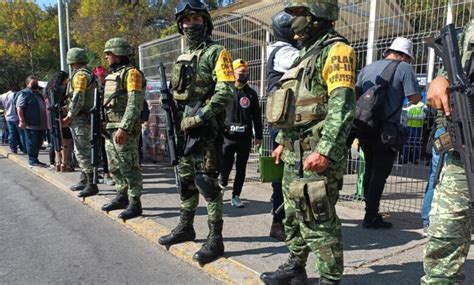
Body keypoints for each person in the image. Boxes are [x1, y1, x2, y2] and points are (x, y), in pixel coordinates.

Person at [260, 1, 356, 284]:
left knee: (319, 219)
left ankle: (329, 279)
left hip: (316, 154)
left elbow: (342, 107)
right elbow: (296, 105)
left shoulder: (338, 51)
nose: (293, 20)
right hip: (294, 151)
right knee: (292, 215)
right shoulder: (305, 53)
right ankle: (295, 267)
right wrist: (281, 141)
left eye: (299, 13)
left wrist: (326, 150)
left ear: (318, 14)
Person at [158, 0, 235, 265]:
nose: (192, 25)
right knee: (186, 181)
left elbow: (226, 91)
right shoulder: (182, 56)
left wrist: (200, 116)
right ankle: (186, 226)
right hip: (183, 131)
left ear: (206, 22)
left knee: (207, 185)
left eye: (197, 19)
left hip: (206, 132)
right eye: (187, 21)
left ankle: (215, 239)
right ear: (181, 25)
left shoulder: (217, 52)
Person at [420, 20, 473, 284]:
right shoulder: (470, 32)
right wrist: (440, 79)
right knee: (443, 244)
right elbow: (451, 73)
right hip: (463, 157)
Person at [356, 37, 421, 229]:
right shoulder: (404, 68)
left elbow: (357, 94)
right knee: (380, 172)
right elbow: (415, 98)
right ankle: (371, 215)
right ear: (404, 56)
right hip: (387, 130)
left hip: (365, 126)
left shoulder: (368, 68)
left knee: (369, 167)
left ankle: (369, 207)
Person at [100, 37, 145, 221]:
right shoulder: (113, 75)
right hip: (110, 128)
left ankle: (135, 203)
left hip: (122, 130)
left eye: (108, 53)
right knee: (114, 166)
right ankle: (121, 195)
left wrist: (124, 127)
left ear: (117, 54)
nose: (106, 57)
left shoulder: (132, 73)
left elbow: (135, 103)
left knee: (129, 166)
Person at [265, 10, 300, 242]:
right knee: (285, 174)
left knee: (287, 173)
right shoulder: (285, 51)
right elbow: (306, 62)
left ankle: (285, 220)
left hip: (284, 120)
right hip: (285, 123)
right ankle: (279, 223)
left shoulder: (278, 49)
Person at [219, 59, 262, 208]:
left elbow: (256, 116)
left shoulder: (251, 94)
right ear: (234, 72)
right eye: (241, 72)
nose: (245, 74)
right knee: (226, 165)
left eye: (246, 72)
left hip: (244, 138)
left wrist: (259, 136)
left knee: (241, 168)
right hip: (228, 137)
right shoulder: (226, 91)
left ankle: (236, 196)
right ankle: (222, 186)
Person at [61, 48, 99, 198]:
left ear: (71, 62)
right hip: (85, 117)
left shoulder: (80, 75)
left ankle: (91, 184)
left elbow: (78, 97)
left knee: (83, 151)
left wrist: (69, 115)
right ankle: (85, 180)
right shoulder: (87, 74)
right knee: (81, 149)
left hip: (81, 119)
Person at [16, 75, 48, 167]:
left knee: (39, 143)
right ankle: (32, 160)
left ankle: (35, 159)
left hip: (41, 123)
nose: (35, 84)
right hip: (31, 124)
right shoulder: (24, 93)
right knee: (32, 143)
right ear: (27, 84)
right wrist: (22, 120)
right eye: (33, 83)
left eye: (36, 82)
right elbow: (19, 107)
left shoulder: (39, 94)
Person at [45, 71, 74, 172]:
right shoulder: (64, 88)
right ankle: (64, 163)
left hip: (52, 116)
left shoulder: (49, 89)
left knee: (56, 139)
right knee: (65, 139)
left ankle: (57, 162)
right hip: (63, 115)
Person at [92, 66, 114, 186]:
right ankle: (102, 172)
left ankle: (109, 173)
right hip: (98, 123)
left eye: (104, 76)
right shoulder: (96, 89)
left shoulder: (110, 87)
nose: (103, 79)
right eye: (101, 76)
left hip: (108, 123)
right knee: (99, 149)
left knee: (108, 151)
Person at [0, 88, 26, 154]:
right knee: (21, 133)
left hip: (8, 117)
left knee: (12, 134)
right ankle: (24, 148)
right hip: (16, 117)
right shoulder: (15, 94)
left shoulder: (2, 96)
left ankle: (13, 148)